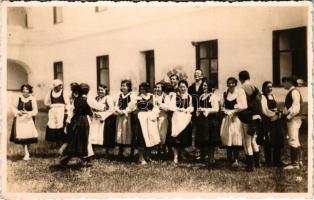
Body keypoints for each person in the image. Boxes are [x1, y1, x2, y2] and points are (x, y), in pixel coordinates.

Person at [59, 83, 93, 167]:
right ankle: (84, 159)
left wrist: (68, 123)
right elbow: (91, 109)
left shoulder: (76, 100)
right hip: (83, 121)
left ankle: (71, 158)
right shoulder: (87, 100)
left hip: (76, 121)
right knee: (83, 140)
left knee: (77, 140)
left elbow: (71, 112)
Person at [220, 77, 247, 168]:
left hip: (236, 119)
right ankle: (229, 159)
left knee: (236, 138)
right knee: (228, 138)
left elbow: (244, 106)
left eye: (233, 83)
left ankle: (236, 159)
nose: (231, 85)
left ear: (236, 84)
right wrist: (225, 111)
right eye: (229, 83)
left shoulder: (240, 92)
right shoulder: (225, 93)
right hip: (228, 118)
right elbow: (223, 106)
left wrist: (234, 112)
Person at [238, 70, 262, 171]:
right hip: (256, 117)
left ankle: (250, 166)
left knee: (246, 141)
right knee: (253, 140)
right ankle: (257, 163)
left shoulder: (241, 89)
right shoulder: (255, 88)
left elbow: (243, 106)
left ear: (240, 79)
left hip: (247, 117)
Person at [133, 82, 161, 164]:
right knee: (142, 138)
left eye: (144, 88)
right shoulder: (137, 98)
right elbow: (133, 109)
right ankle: (141, 158)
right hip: (141, 119)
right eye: (141, 88)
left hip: (150, 118)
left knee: (150, 137)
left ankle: (148, 156)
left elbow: (156, 107)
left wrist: (153, 114)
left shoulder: (152, 97)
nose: (142, 90)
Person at [195, 80, 221, 166]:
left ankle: (212, 158)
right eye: (203, 86)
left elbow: (216, 109)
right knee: (204, 138)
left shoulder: (213, 96)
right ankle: (206, 156)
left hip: (210, 120)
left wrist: (205, 110)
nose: (204, 87)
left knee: (211, 139)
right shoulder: (202, 96)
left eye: (206, 86)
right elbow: (201, 107)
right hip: (203, 120)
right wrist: (199, 110)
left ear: (209, 87)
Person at [259, 81, 285, 167]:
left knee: (277, 139)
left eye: (271, 87)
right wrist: (274, 114)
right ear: (264, 88)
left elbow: (276, 107)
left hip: (276, 120)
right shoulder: (262, 97)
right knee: (268, 141)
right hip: (267, 121)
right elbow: (264, 110)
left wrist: (278, 113)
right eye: (267, 87)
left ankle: (276, 160)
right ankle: (268, 161)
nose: (269, 89)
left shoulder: (272, 96)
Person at [10, 84, 39, 160]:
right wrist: (17, 112)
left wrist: (29, 113)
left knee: (28, 136)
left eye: (27, 89)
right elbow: (13, 107)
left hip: (29, 119)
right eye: (24, 89)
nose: (25, 91)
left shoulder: (32, 99)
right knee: (22, 136)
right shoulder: (18, 98)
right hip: (20, 119)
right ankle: (26, 153)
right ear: (22, 90)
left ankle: (27, 152)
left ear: (29, 90)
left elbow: (35, 110)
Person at [168, 80, 193, 163]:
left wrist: (187, 110)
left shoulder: (189, 96)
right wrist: (179, 109)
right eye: (181, 87)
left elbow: (191, 107)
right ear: (178, 87)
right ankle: (175, 156)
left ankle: (182, 155)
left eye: (184, 87)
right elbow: (171, 107)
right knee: (176, 137)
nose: (182, 88)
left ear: (186, 87)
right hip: (177, 118)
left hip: (185, 119)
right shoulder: (175, 96)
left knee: (183, 137)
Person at [282, 77, 303, 170]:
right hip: (295, 118)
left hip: (293, 119)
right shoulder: (293, 91)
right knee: (296, 140)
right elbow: (289, 107)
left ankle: (295, 164)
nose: (283, 84)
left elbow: (296, 107)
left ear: (289, 82)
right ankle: (299, 161)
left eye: (284, 82)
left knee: (293, 140)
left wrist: (288, 117)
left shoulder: (294, 92)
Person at [89, 85, 116, 156]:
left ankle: (107, 152)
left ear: (106, 90)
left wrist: (103, 115)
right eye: (99, 90)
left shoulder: (108, 98)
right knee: (94, 134)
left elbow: (111, 109)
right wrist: (94, 113)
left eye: (102, 90)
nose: (100, 91)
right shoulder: (96, 98)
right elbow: (92, 107)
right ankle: (94, 152)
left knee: (104, 135)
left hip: (104, 118)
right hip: (96, 117)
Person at [45, 79, 70, 149]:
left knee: (60, 125)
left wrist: (67, 111)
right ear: (54, 86)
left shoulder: (63, 93)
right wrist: (51, 106)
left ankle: (60, 143)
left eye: (61, 85)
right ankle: (53, 143)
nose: (60, 87)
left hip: (61, 110)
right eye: (58, 86)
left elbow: (67, 103)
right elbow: (46, 102)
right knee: (52, 125)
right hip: (53, 111)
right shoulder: (51, 92)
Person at [115, 80, 136, 158]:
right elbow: (116, 105)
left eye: (125, 86)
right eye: (122, 85)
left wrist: (124, 111)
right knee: (120, 131)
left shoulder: (132, 95)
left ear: (129, 87)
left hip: (128, 116)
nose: (123, 87)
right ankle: (121, 151)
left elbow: (132, 106)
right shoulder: (119, 95)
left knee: (129, 132)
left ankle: (131, 152)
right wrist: (118, 110)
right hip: (120, 116)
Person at [154, 82, 170, 155]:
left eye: (159, 87)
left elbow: (167, 107)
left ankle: (163, 148)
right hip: (155, 116)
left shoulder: (166, 96)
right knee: (156, 131)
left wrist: (160, 106)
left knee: (163, 132)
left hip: (163, 116)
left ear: (162, 88)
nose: (157, 89)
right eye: (156, 87)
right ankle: (157, 148)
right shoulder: (154, 96)